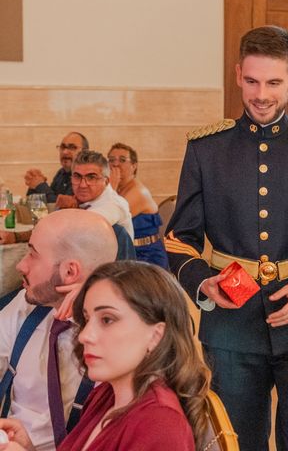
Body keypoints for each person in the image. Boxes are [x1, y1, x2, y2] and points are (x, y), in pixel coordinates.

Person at [164, 25, 288, 451]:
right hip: (230, 325)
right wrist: (203, 282)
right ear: (237, 75)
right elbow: (179, 238)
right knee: (236, 441)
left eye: (273, 82)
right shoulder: (206, 149)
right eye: (252, 81)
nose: (262, 95)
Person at [0, 260, 214, 450]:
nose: (84, 336)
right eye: (86, 319)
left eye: (107, 320)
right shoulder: (106, 394)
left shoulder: (159, 425)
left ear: (156, 335)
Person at [0, 209, 117, 451]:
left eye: (32, 254)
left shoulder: (121, 342)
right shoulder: (27, 306)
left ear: (70, 272)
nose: (21, 265)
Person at [107, 143, 168, 268]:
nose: (115, 164)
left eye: (122, 160)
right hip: (128, 253)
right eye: (111, 160)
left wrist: (110, 188)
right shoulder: (118, 190)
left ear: (134, 166)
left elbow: (111, 219)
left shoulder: (139, 191)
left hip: (147, 257)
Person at [59, 151, 134, 239]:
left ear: (106, 181)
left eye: (91, 178)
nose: (83, 185)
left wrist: (64, 213)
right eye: (77, 176)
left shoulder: (115, 204)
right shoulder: (84, 200)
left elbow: (81, 229)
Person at [24, 133, 89, 204]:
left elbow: (61, 207)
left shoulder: (85, 176)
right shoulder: (61, 172)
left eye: (72, 147)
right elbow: (45, 202)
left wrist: (40, 185)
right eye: (62, 147)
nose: (65, 152)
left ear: (85, 152)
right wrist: (34, 184)